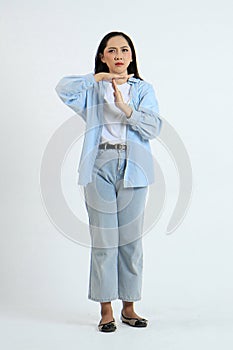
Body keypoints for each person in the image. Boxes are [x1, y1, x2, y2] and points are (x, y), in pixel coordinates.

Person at [55, 31, 162, 333]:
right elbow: (63, 88)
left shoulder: (143, 90)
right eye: (111, 50)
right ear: (102, 56)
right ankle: (106, 310)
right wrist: (96, 79)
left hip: (134, 168)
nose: (118, 55)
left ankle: (129, 307)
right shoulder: (92, 89)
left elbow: (153, 127)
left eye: (124, 50)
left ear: (131, 56)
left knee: (130, 240)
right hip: (99, 165)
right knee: (104, 242)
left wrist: (125, 107)